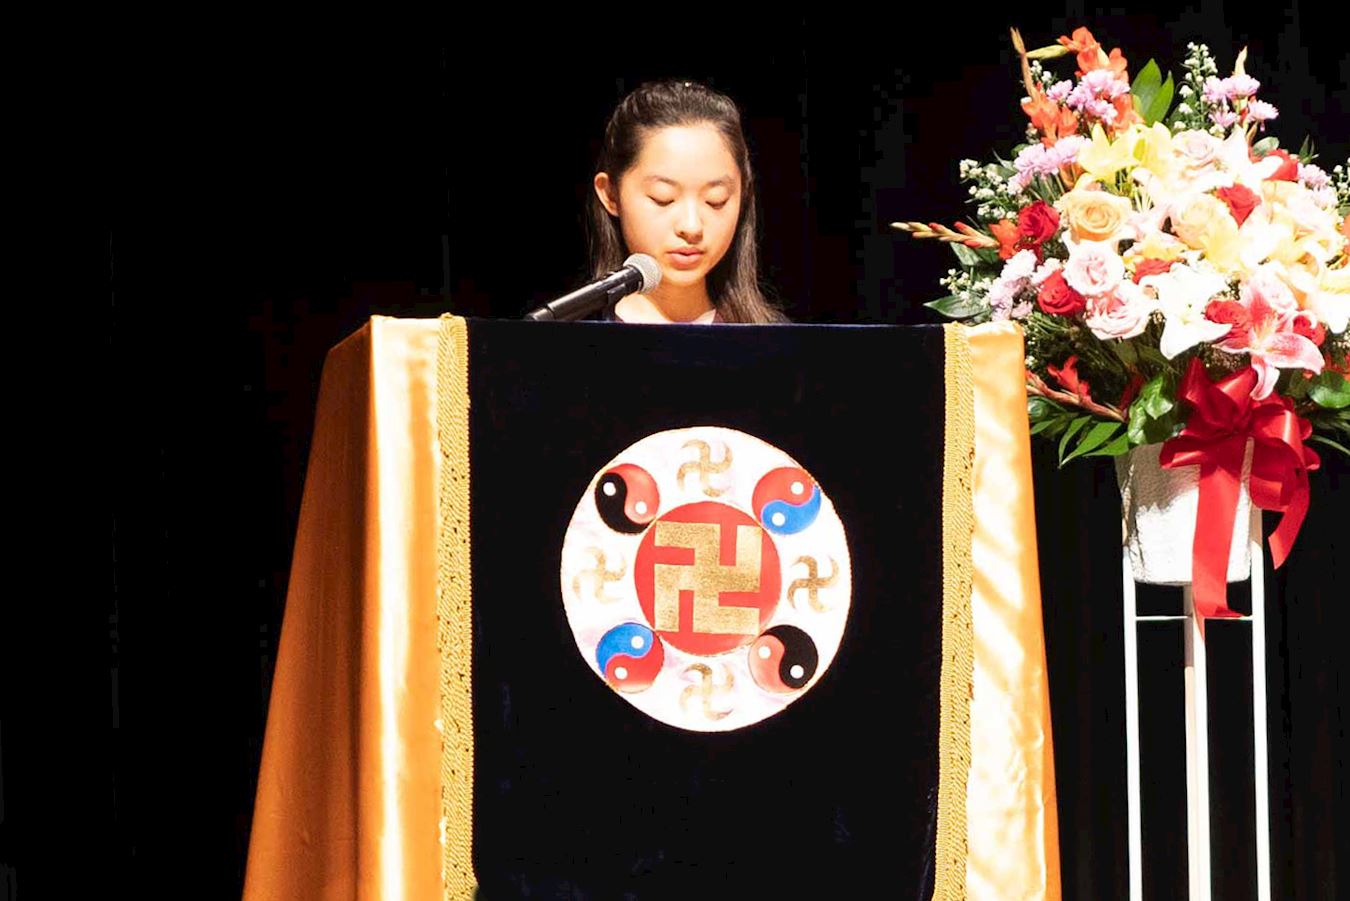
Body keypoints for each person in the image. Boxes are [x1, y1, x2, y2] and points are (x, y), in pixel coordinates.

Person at [587, 79, 787, 324]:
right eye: (663, 198)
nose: (691, 227)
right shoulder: (572, 339)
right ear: (610, 194)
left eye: (715, 201)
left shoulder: (775, 341)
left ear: (743, 195)